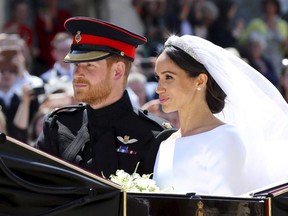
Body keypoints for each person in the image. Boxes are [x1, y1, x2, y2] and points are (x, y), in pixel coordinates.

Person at [36, 16, 176, 178]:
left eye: (89, 65)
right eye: (76, 65)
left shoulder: (155, 136)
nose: (77, 74)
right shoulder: (58, 126)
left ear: (118, 71)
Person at [152, 34, 288, 196]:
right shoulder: (166, 144)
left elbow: (229, 208)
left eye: (168, 77)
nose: (159, 88)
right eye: (158, 78)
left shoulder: (224, 137)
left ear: (200, 81)